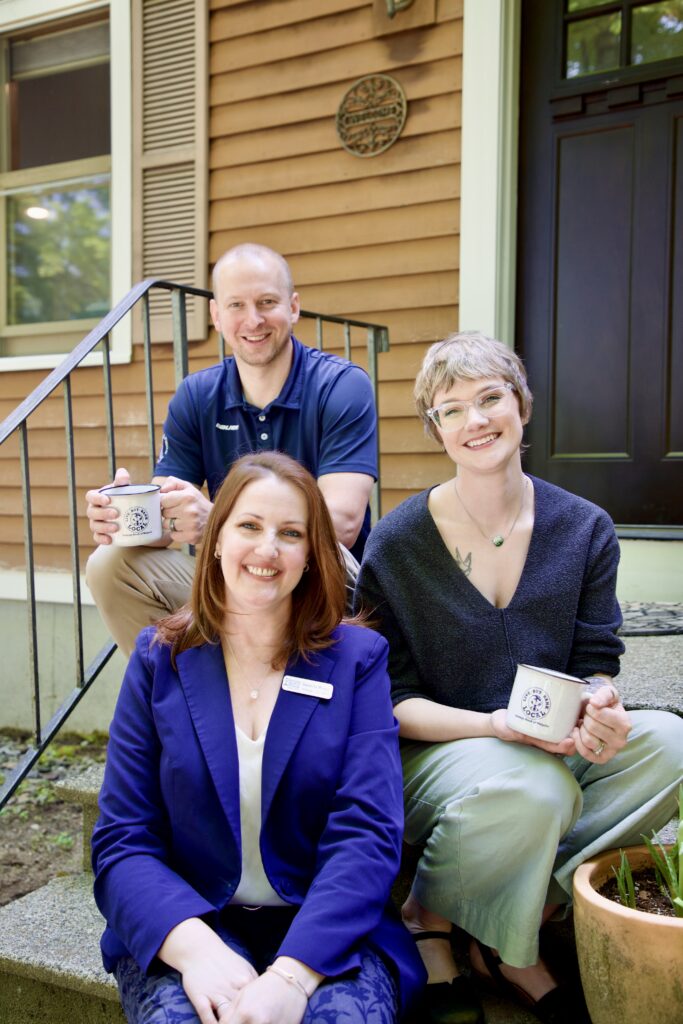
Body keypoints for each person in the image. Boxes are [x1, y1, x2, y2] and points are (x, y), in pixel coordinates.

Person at [353, 332, 683, 1024]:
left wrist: (598, 702)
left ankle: (521, 902)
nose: (475, 421)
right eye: (451, 410)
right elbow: (388, 700)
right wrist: (493, 727)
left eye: (489, 398)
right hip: (436, 750)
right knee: (536, 784)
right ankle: (455, 924)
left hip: (546, 747)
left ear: (520, 407)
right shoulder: (398, 541)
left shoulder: (584, 527)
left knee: (667, 744)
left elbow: (596, 656)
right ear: (436, 431)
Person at [91, 451, 425, 1024]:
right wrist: (196, 952)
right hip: (193, 921)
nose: (267, 549)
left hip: (327, 929)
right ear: (215, 539)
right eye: (249, 526)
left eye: (290, 533)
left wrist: (293, 975)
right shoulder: (157, 660)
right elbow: (122, 839)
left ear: (310, 558)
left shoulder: (357, 661)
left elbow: (366, 833)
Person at [85, 243, 377, 656]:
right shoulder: (197, 395)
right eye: (237, 305)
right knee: (109, 564)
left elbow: (342, 524)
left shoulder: (341, 386)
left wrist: (219, 524)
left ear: (293, 307)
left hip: (322, 586)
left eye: (267, 302)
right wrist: (126, 521)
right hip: (239, 577)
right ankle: (182, 702)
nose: (253, 320)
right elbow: (168, 515)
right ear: (217, 316)